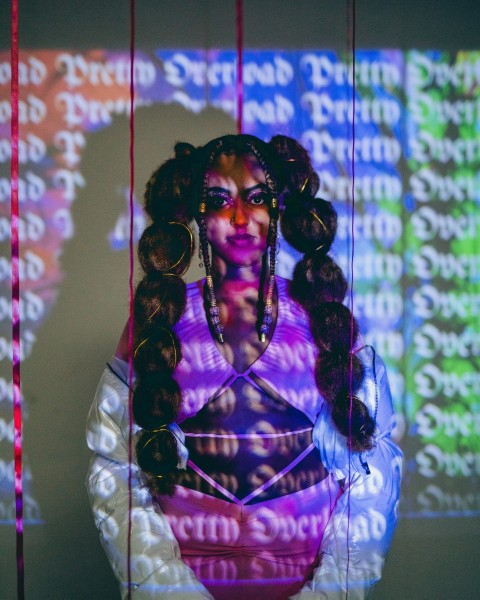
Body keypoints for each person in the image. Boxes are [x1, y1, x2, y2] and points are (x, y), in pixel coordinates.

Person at [86, 133, 402, 599]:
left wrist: (331, 592)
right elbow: (116, 465)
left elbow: (372, 467)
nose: (238, 218)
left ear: (277, 209)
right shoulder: (158, 321)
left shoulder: (320, 318)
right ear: (197, 213)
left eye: (256, 199)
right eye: (219, 201)